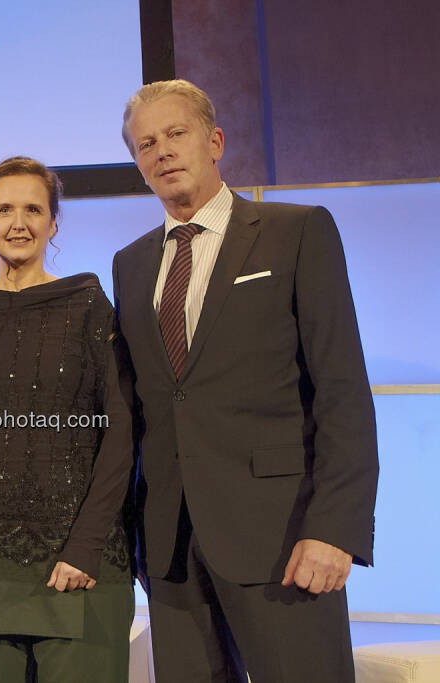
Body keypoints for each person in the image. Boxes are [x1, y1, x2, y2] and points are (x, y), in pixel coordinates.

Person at [113, 79, 379, 681]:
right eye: (146, 143)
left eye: (176, 134)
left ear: (215, 140)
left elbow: (342, 390)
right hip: (171, 551)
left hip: (282, 539)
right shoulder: (130, 264)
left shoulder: (297, 231)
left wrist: (335, 530)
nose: (162, 151)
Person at [0, 156, 134, 682]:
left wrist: (87, 545)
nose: (18, 222)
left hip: (80, 565)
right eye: (4, 209)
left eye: (33, 208)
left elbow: (121, 432)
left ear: (53, 221)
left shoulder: (87, 303)